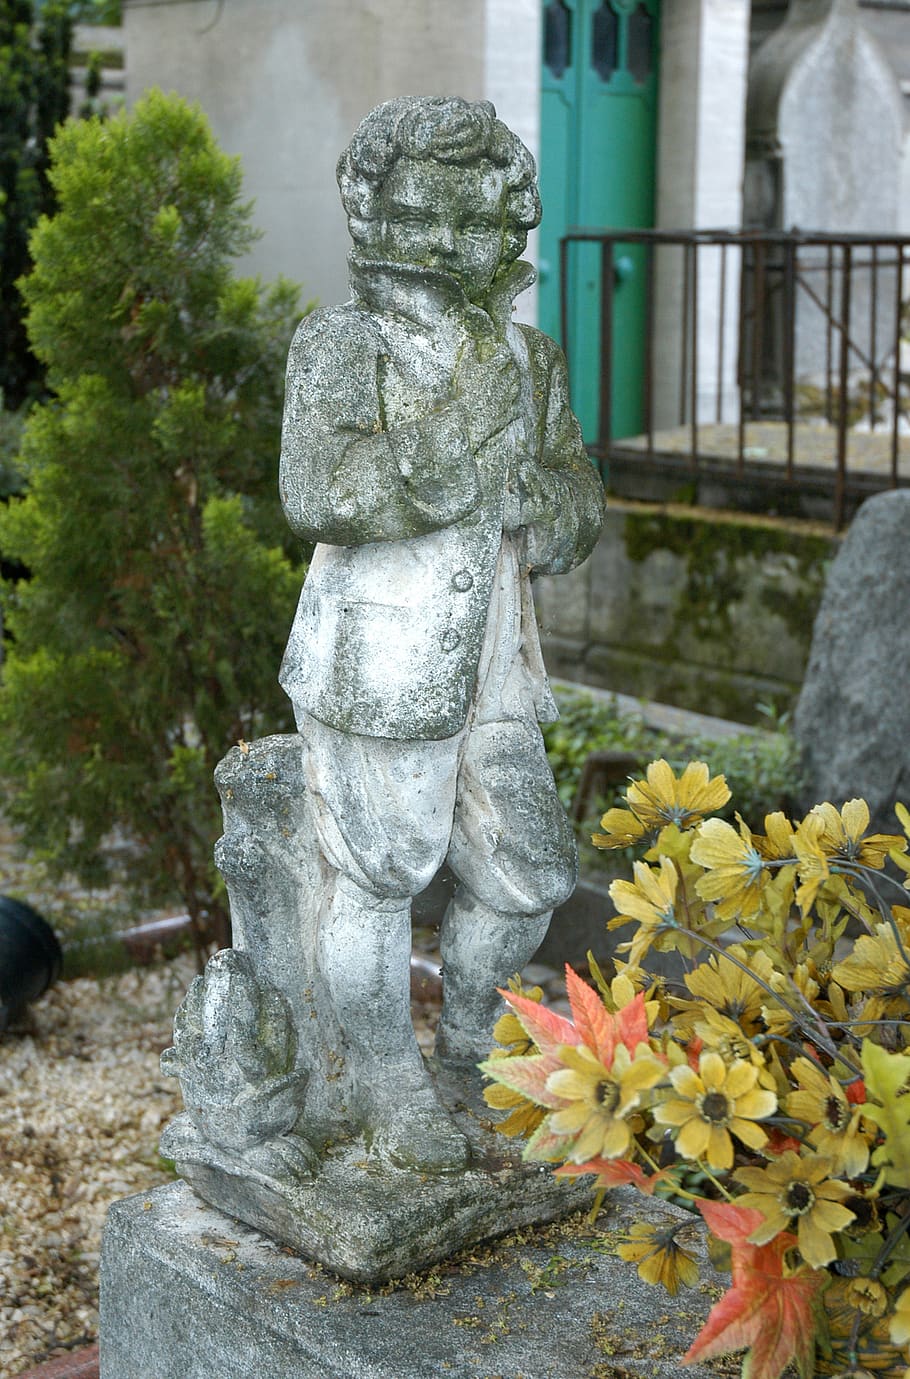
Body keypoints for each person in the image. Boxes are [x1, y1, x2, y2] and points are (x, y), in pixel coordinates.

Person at [278, 97, 605, 1173]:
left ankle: (468, 1054)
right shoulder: (342, 342)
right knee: (377, 873)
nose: (451, 249)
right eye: (424, 220)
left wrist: (545, 508)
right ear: (374, 221)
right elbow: (320, 488)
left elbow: (574, 492)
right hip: (378, 664)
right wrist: (464, 453)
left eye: (478, 224)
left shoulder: (532, 359)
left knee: (528, 874)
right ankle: (386, 1088)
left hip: (496, 668)